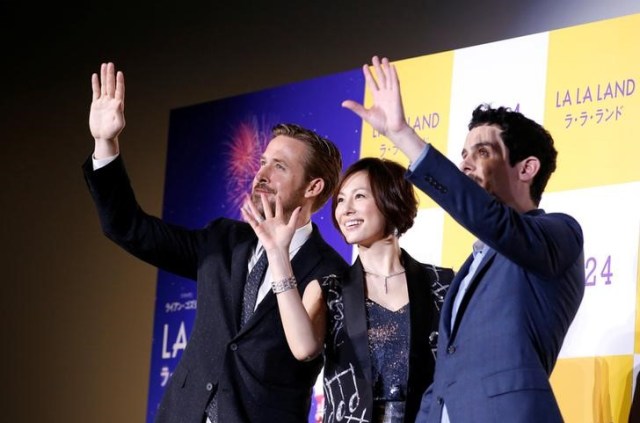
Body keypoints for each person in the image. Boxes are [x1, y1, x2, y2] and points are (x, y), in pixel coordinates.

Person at [83, 62, 349, 423]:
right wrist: (105, 142)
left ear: (313, 187)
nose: (262, 174)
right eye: (263, 162)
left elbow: (316, 356)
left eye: (280, 167)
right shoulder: (224, 240)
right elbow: (128, 228)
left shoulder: (330, 271)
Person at [341, 56, 585, 423]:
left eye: (482, 153)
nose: (466, 164)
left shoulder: (559, 233)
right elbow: (446, 376)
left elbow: (494, 221)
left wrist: (403, 136)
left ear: (527, 168)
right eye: (464, 155)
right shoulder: (470, 267)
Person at [241, 157, 454, 423]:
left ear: (392, 199)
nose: (346, 210)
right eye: (340, 200)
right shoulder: (329, 288)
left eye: (359, 196)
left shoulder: (442, 283)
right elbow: (304, 349)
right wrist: (278, 255)